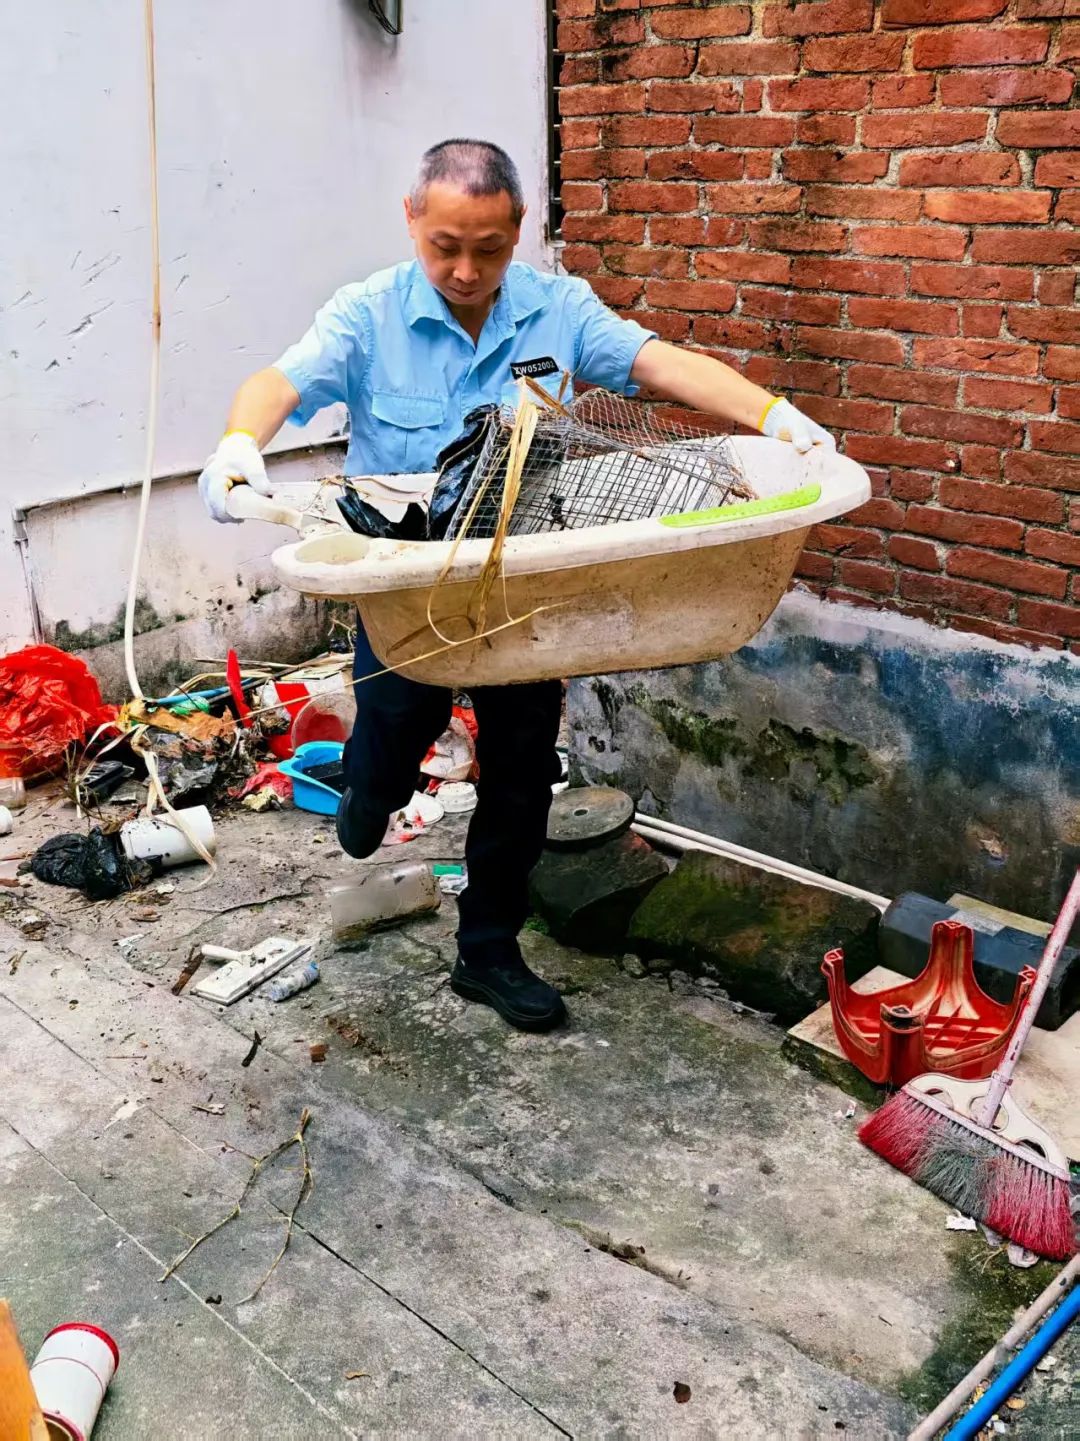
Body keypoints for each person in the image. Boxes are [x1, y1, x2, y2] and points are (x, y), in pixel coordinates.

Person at [198, 138, 833, 1034]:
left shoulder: (556, 309)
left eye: (489, 249)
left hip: (527, 575)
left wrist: (774, 414)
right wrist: (238, 445)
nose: (466, 271)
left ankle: (489, 947)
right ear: (411, 221)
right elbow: (280, 380)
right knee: (396, 727)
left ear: (519, 229)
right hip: (408, 578)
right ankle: (369, 794)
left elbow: (657, 362)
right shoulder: (367, 315)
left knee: (524, 765)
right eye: (446, 246)